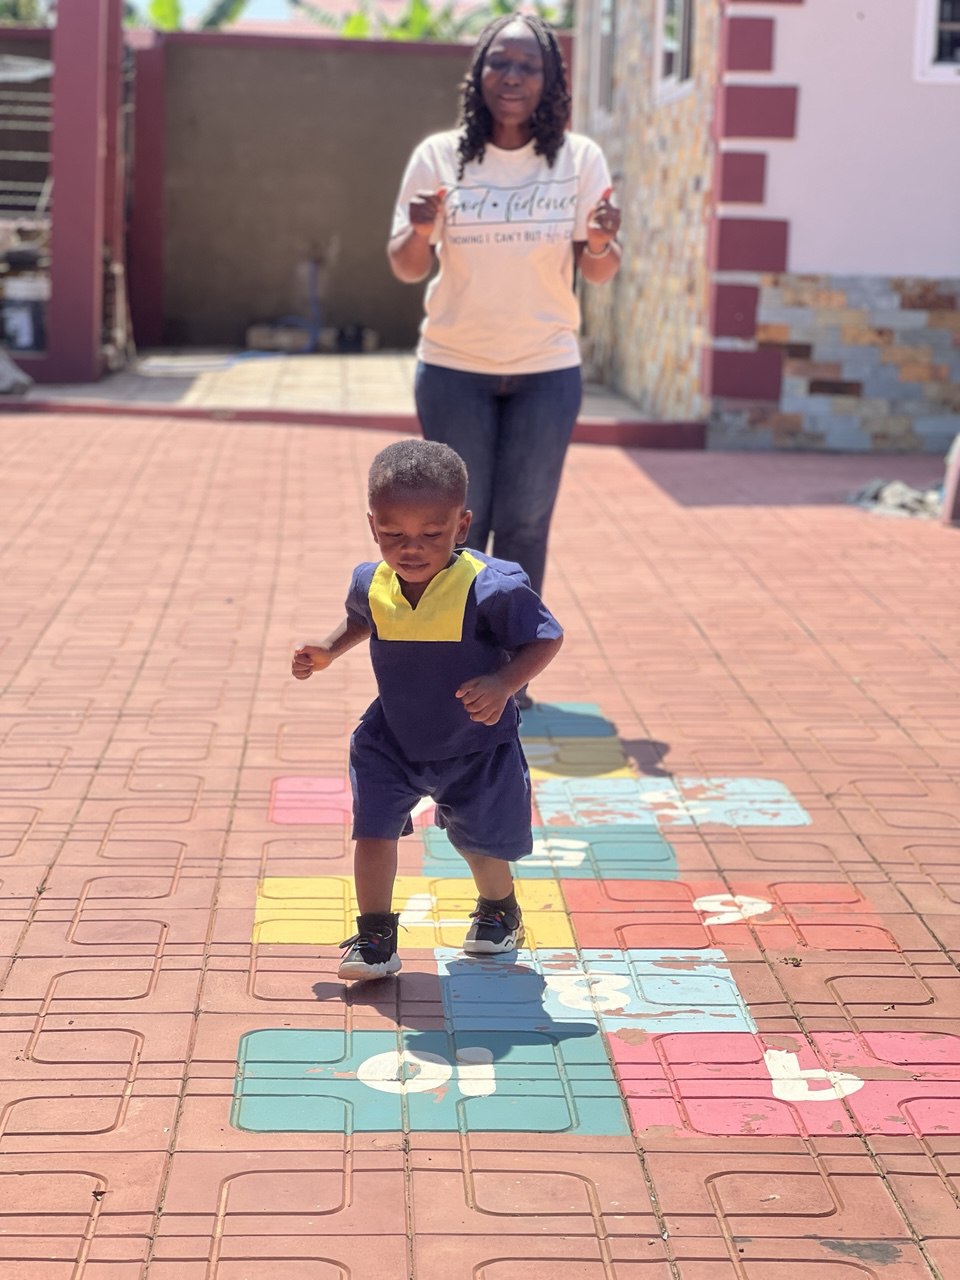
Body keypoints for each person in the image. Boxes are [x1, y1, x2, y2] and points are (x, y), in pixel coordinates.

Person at [387, 11, 621, 703]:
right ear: (479, 74)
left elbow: (599, 269)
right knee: (457, 527)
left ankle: (509, 680)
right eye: (500, 62)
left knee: (523, 525)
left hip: (546, 370)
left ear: (549, 81)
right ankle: (453, 670)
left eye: (527, 66)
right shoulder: (440, 156)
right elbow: (405, 265)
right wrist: (420, 230)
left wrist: (601, 243)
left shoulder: (578, 159)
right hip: (455, 367)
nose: (512, 76)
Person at [291, 438, 563, 982]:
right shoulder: (371, 579)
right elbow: (364, 618)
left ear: (461, 527)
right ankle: (375, 936)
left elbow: (546, 637)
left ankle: (499, 910)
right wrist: (328, 650)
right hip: (392, 735)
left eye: (431, 535)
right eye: (394, 534)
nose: (411, 549)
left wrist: (504, 683)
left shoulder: (491, 588)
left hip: (475, 741)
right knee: (373, 828)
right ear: (373, 526)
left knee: (478, 842)